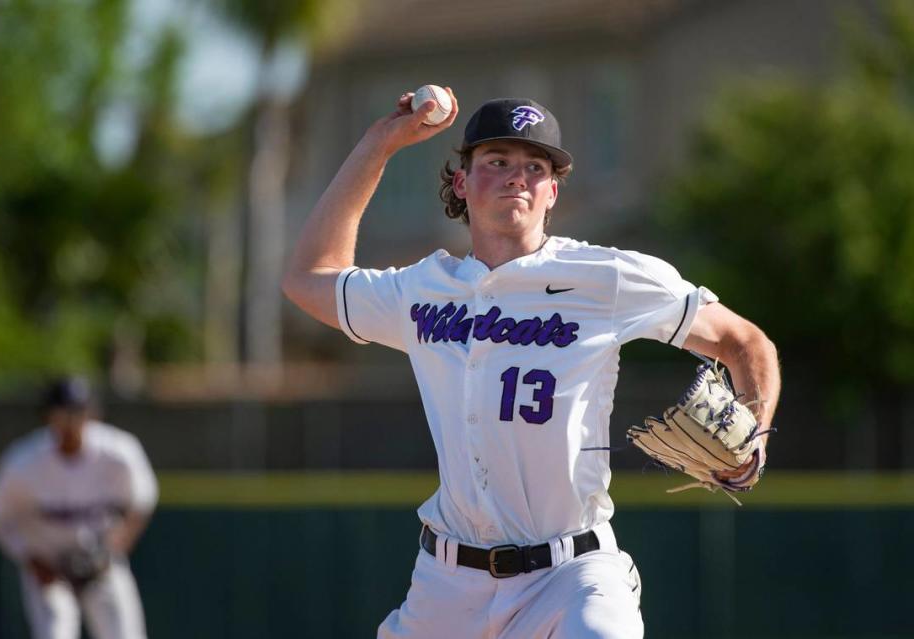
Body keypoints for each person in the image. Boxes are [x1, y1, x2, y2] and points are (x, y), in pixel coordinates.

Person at [281, 90, 781, 638]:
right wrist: (380, 144)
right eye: (497, 162)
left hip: (571, 575)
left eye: (535, 167)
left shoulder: (606, 278)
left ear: (552, 193)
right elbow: (309, 277)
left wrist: (754, 432)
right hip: (447, 588)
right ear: (461, 182)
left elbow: (744, 340)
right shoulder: (421, 292)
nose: (517, 177)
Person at [0, 377, 157, 639]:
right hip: (49, 563)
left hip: (100, 561)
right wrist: (30, 558)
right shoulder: (24, 462)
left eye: (78, 411)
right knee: (55, 634)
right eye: (63, 412)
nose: (71, 421)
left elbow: (142, 500)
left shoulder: (119, 452)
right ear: (48, 416)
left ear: (92, 413)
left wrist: (115, 546)